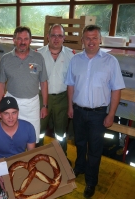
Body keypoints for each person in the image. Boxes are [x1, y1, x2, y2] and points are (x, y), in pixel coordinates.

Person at [65, 25, 125, 198]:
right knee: (80, 143)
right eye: (87, 38)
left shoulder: (111, 61)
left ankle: (91, 181)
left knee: (95, 149)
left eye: (94, 38)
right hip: (78, 111)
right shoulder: (75, 61)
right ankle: (80, 168)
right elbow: (70, 85)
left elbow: (116, 90)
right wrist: (70, 106)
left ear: (100, 40)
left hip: (99, 114)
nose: (91, 41)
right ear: (82, 41)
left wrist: (111, 113)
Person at [0, 26, 48, 144]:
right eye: (19, 39)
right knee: (12, 136)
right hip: (12, 102)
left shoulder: (38, 58)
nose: (22, 42)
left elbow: (44, 83)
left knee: (33, 136)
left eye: (26, 39)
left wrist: (45, 105)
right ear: (14, 40)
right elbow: (1, 85)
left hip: (32, 104)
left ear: (30, 40)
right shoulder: (6, 59)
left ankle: (30, 159)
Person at [0, 96, 36, 190]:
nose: (10, 117)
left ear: (18, 113)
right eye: (6, 113)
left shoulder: (29, 128)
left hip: (21, 165)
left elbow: (31, 154)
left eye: (14, 113)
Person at [37, 24, 75, 153]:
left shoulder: (71, 56)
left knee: (60, 132)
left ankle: (62, 157)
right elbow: (32, 76)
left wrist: (71, 104)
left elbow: (73, 82)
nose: (56, 39)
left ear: (64, 38)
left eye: (60, 36)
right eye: (53, 35)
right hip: (42, 98)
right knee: (39, 130)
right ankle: (36, 155)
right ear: (48, 37)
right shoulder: (38, 54)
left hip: (62, 99)